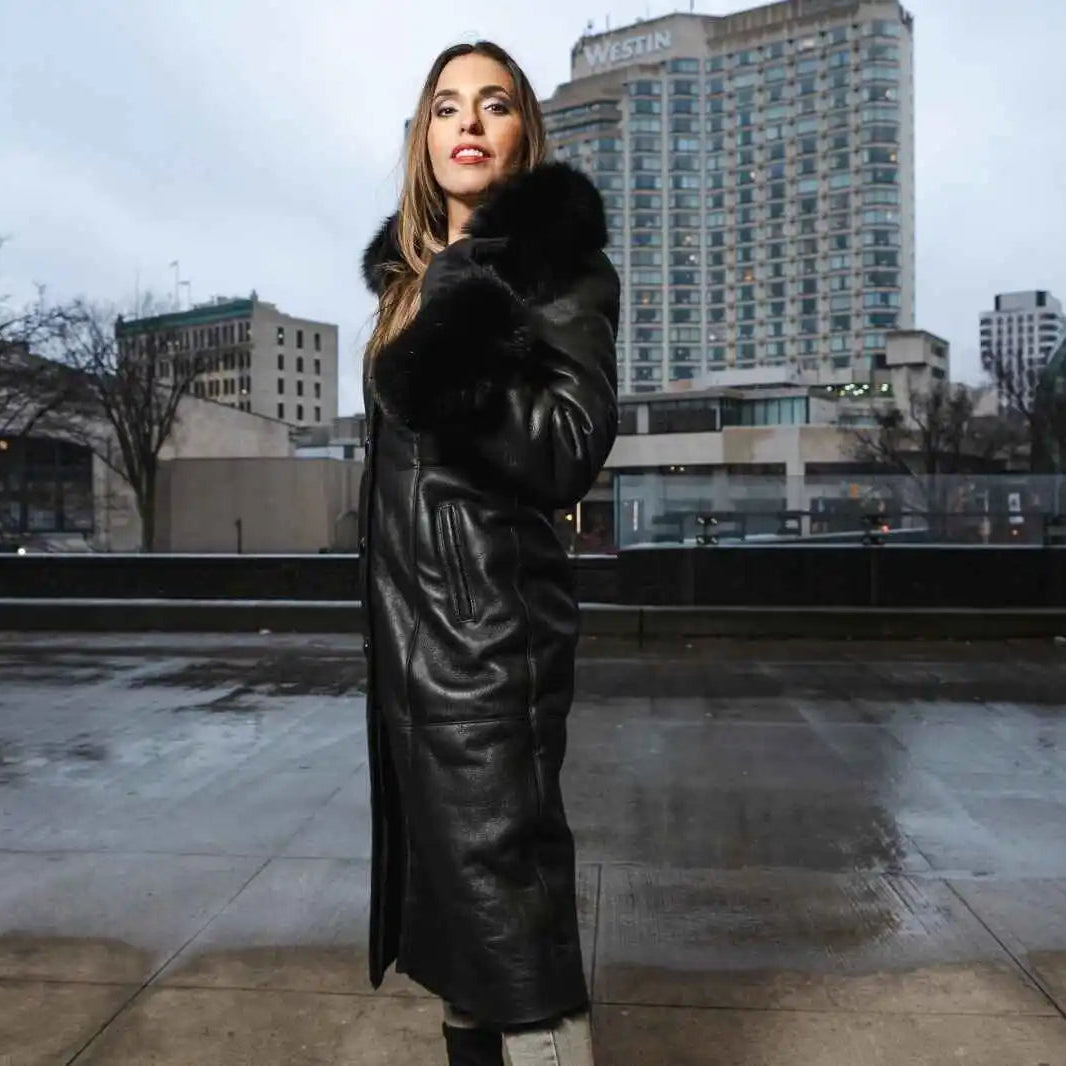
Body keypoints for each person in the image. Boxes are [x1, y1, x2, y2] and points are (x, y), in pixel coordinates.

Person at [356, 37, 619, 1066]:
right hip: (413, 661)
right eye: (445, 107)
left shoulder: (559, 272)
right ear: (422, 140)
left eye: (493, 104)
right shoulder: (411, 281)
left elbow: (564, 448)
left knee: (518, 956)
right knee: (462, 955)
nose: (466, 122)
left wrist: (449, 363)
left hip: (488, 655)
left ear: (522, 134)